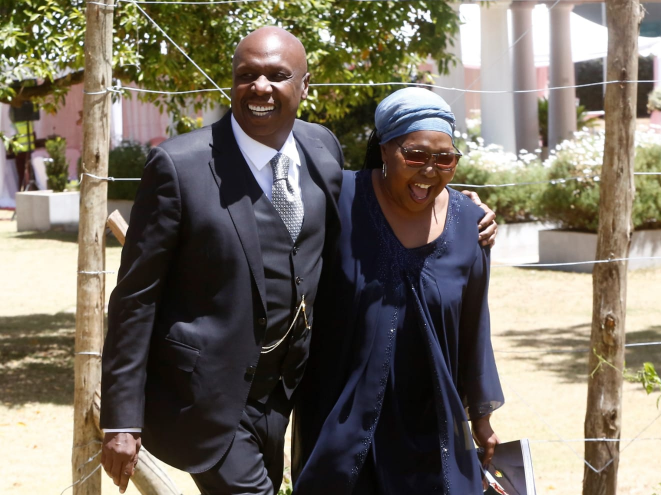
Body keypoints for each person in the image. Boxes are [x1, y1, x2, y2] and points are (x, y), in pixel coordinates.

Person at [100, 27, 498, 495]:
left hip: (288, 397)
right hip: (207, 395)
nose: (261, 88)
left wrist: (461, 206)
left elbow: (392, 194)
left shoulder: (322, 150)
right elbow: (135, 299)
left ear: (304, 86)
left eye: (277, 75)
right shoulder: (178, 166)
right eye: (246, 75)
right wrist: (121, 420)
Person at [292, 88, 505, 495]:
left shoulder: (470, 225)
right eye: (415, 155)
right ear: (385, 148)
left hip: (434, 427)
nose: (430, 170)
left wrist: (480, 419)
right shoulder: (338, 200)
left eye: (445, 159)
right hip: (342, 423)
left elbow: (475, 325)